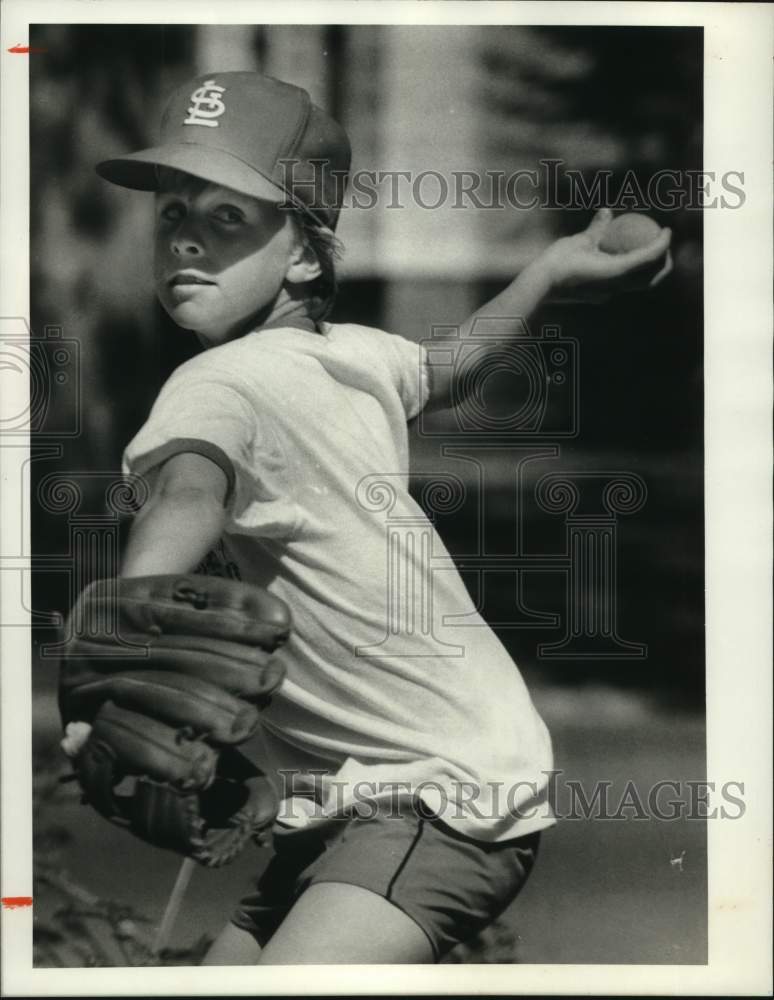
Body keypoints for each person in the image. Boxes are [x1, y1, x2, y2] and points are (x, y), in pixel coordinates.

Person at [93, 71, 672, 964]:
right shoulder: (350, 354)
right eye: (173, 214)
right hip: (356, 797)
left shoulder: (213, 383)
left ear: (302, 254)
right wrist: (548, 271)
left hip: (433, 794)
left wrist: (128, 639)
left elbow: (186, 493)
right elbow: (450, 365)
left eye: (226, 218)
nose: (187, 246)